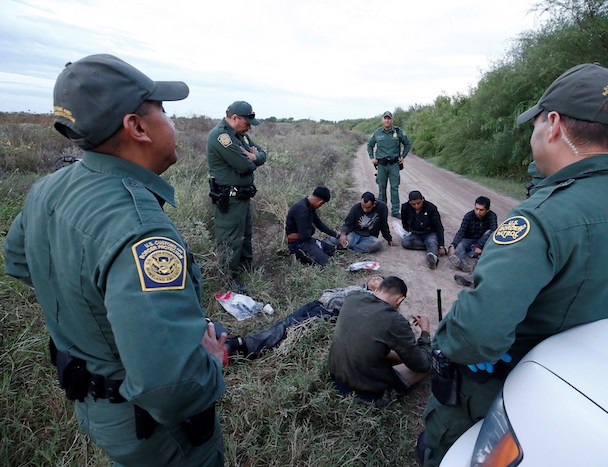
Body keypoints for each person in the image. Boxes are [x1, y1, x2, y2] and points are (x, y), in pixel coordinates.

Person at [420, 63, 608, 466]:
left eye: (535, 124)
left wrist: (442, 342)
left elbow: (476, 335)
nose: (534, 135)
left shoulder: (538, 219)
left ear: (554, 124)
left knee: (445, 446)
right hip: (590, 392)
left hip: (510, 388)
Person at [4, 54, 229, 466]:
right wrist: (212, 364)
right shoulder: (141, 229)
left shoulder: (48, 188)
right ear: (137, 127)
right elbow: (171, 389)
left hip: (96, 405)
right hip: (154, 430)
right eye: (164, 110)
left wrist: (91, 321)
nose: (172, 123)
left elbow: (20, 262)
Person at [216, 276, 384, 358]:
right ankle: (245, 344)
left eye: (380, 281)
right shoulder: (358, 287)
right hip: (317, 303)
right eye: (375, 277)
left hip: (326, 313)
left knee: (288, 328)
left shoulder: (368, 297)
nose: (375, 279)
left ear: (381, 290)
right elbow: (333, 293)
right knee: (285, 323)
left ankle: (246, 346)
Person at [328, 276, 432, 407]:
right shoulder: (395, 321)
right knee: (427, 362)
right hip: (365, 394)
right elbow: (422, 364)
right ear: (400, 299)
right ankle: (384, 393)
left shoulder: (353, 297)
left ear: (378, 289)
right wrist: (425, 331)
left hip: (336, 378)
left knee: (376, 346)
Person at [207, 100, 267, 293]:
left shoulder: (240, 136)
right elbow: (245, 166)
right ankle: (228, 278)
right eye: (247, 122)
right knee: (229, 238)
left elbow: (263, 154)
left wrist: (254, 157)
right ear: (234, 118)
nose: (249, 127)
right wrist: (252, 159)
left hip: (242, 196)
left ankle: (244, 268)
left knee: (245, 234)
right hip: (229, 198)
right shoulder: (221, 136)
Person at [367, 111, 412, 218]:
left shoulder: (398, 132)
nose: (387, 120)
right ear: (382, 120)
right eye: (385, 118)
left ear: (392, 120)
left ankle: (395, 211)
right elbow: (370, 145)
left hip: (394, 164)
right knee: (382, 188)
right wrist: (372, 157)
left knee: (394, 188)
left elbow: (407, 144)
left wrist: (403, 156)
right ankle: (382, 210)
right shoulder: (377, 132)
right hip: (381, 165)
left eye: (389, 118)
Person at [286, 186, 340, 266]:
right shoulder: (302, 209)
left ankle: (317, 249)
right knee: (327, 262)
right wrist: (312, 229)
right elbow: (304, 235)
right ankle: (298, 256)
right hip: (298, 244)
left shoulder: (309, 206)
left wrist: (336, 235)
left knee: (332, 250)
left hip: (307, 240)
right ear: (320, 202)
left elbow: (319, 224)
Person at [400, 190, 446, 269]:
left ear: (423, 200)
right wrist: (408, 230)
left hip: (429, 232)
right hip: (415, 233)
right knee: (405, 242)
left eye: (418, 203)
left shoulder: (431, 208)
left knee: (431, 241)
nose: (416, 206)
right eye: (413, 204)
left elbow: (439, 227)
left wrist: (441, 246)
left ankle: (433, 257)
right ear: (409, 202)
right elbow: (404, 221)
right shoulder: (405, 207)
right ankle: (432, 247)